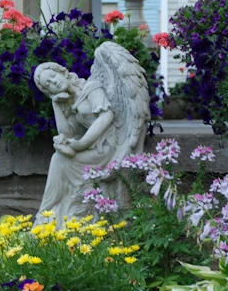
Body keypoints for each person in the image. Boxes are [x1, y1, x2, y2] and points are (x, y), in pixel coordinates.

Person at [33, 42, 150, 227]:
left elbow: (106, 116)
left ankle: (52, 215)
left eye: (53, 76)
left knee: (62, 161)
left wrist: (81, 145)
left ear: (62, 72)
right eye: (49, 84)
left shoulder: (92, 87)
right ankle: (50, 215)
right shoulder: (69, 102)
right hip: (93, 146)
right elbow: (68, 133)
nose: (54, 82)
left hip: (108, 146)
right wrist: (56, 105)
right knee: (58, 159)